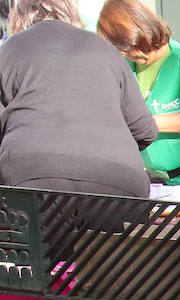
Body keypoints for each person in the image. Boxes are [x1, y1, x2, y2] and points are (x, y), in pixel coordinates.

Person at [0, 0, 156, 197]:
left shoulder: (10, 49)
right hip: (120, 183)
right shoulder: (106, 50)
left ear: (19, 15)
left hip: (31, 177)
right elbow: (146, 131)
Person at [95, 0, 180, 191]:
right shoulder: (127, 63)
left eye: (121, 46)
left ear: (135, 36)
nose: (120, 54)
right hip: (151, 180)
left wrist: (146, 123)